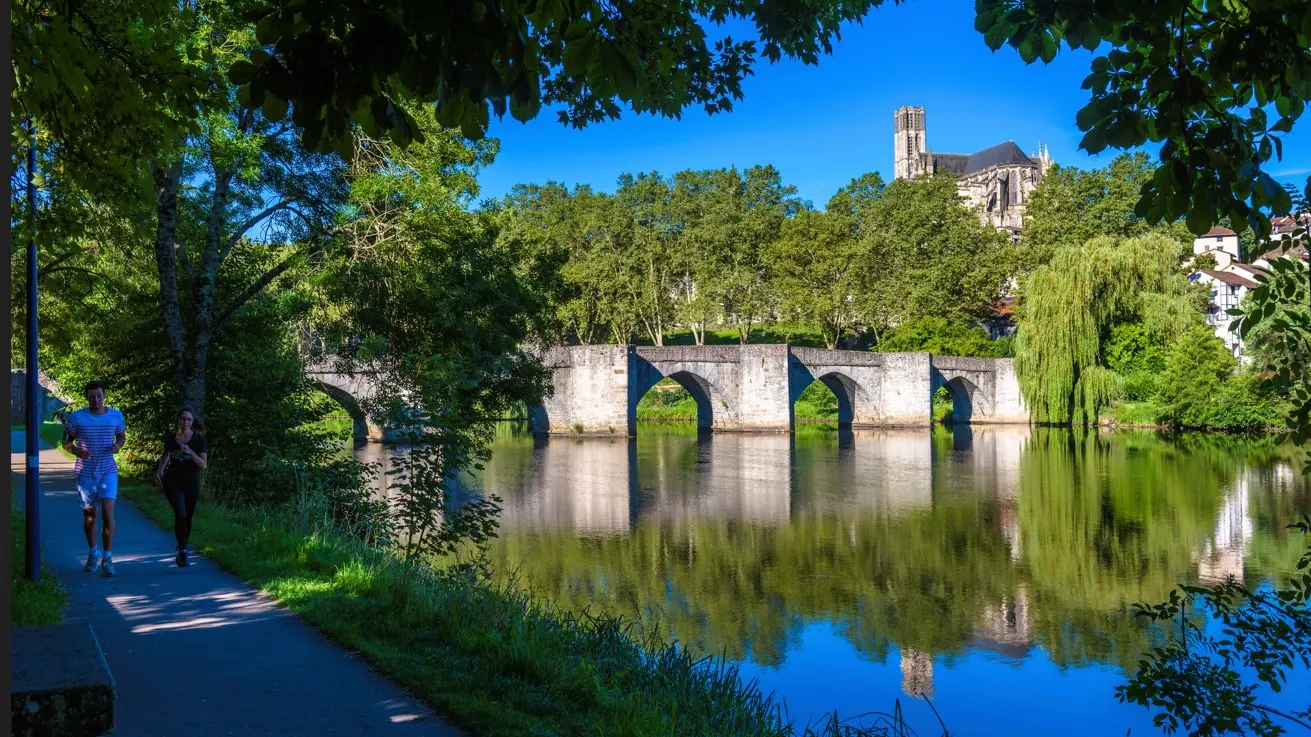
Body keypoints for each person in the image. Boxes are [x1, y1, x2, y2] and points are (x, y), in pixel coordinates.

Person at [62, 380, 127, 577]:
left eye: (99, 396)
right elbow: (65, 442)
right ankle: (93, 553)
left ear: (104, 395)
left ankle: (107, 558)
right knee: (90, 518)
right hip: (86, 473)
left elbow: (121, 436)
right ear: (87, 397)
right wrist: (77, 452)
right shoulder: (77, 417)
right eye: (92, 397)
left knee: (108, 512)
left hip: (108, 470)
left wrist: (118, 446)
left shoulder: (116, 415)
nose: (96, 400)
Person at [154, 407, 207, 567]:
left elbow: (203, 465)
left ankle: (181, 546)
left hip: (192, 482)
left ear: (193, 421)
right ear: (178, 419)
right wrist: (159, 472)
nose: (186, 422)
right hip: (173, 482)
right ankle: (183, 551)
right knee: (181, 514)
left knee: (188, 517)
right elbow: (165, 456)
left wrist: (190, 452)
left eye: (189, 419)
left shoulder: (199, 439)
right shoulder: (170, 438)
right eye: (183, 419)